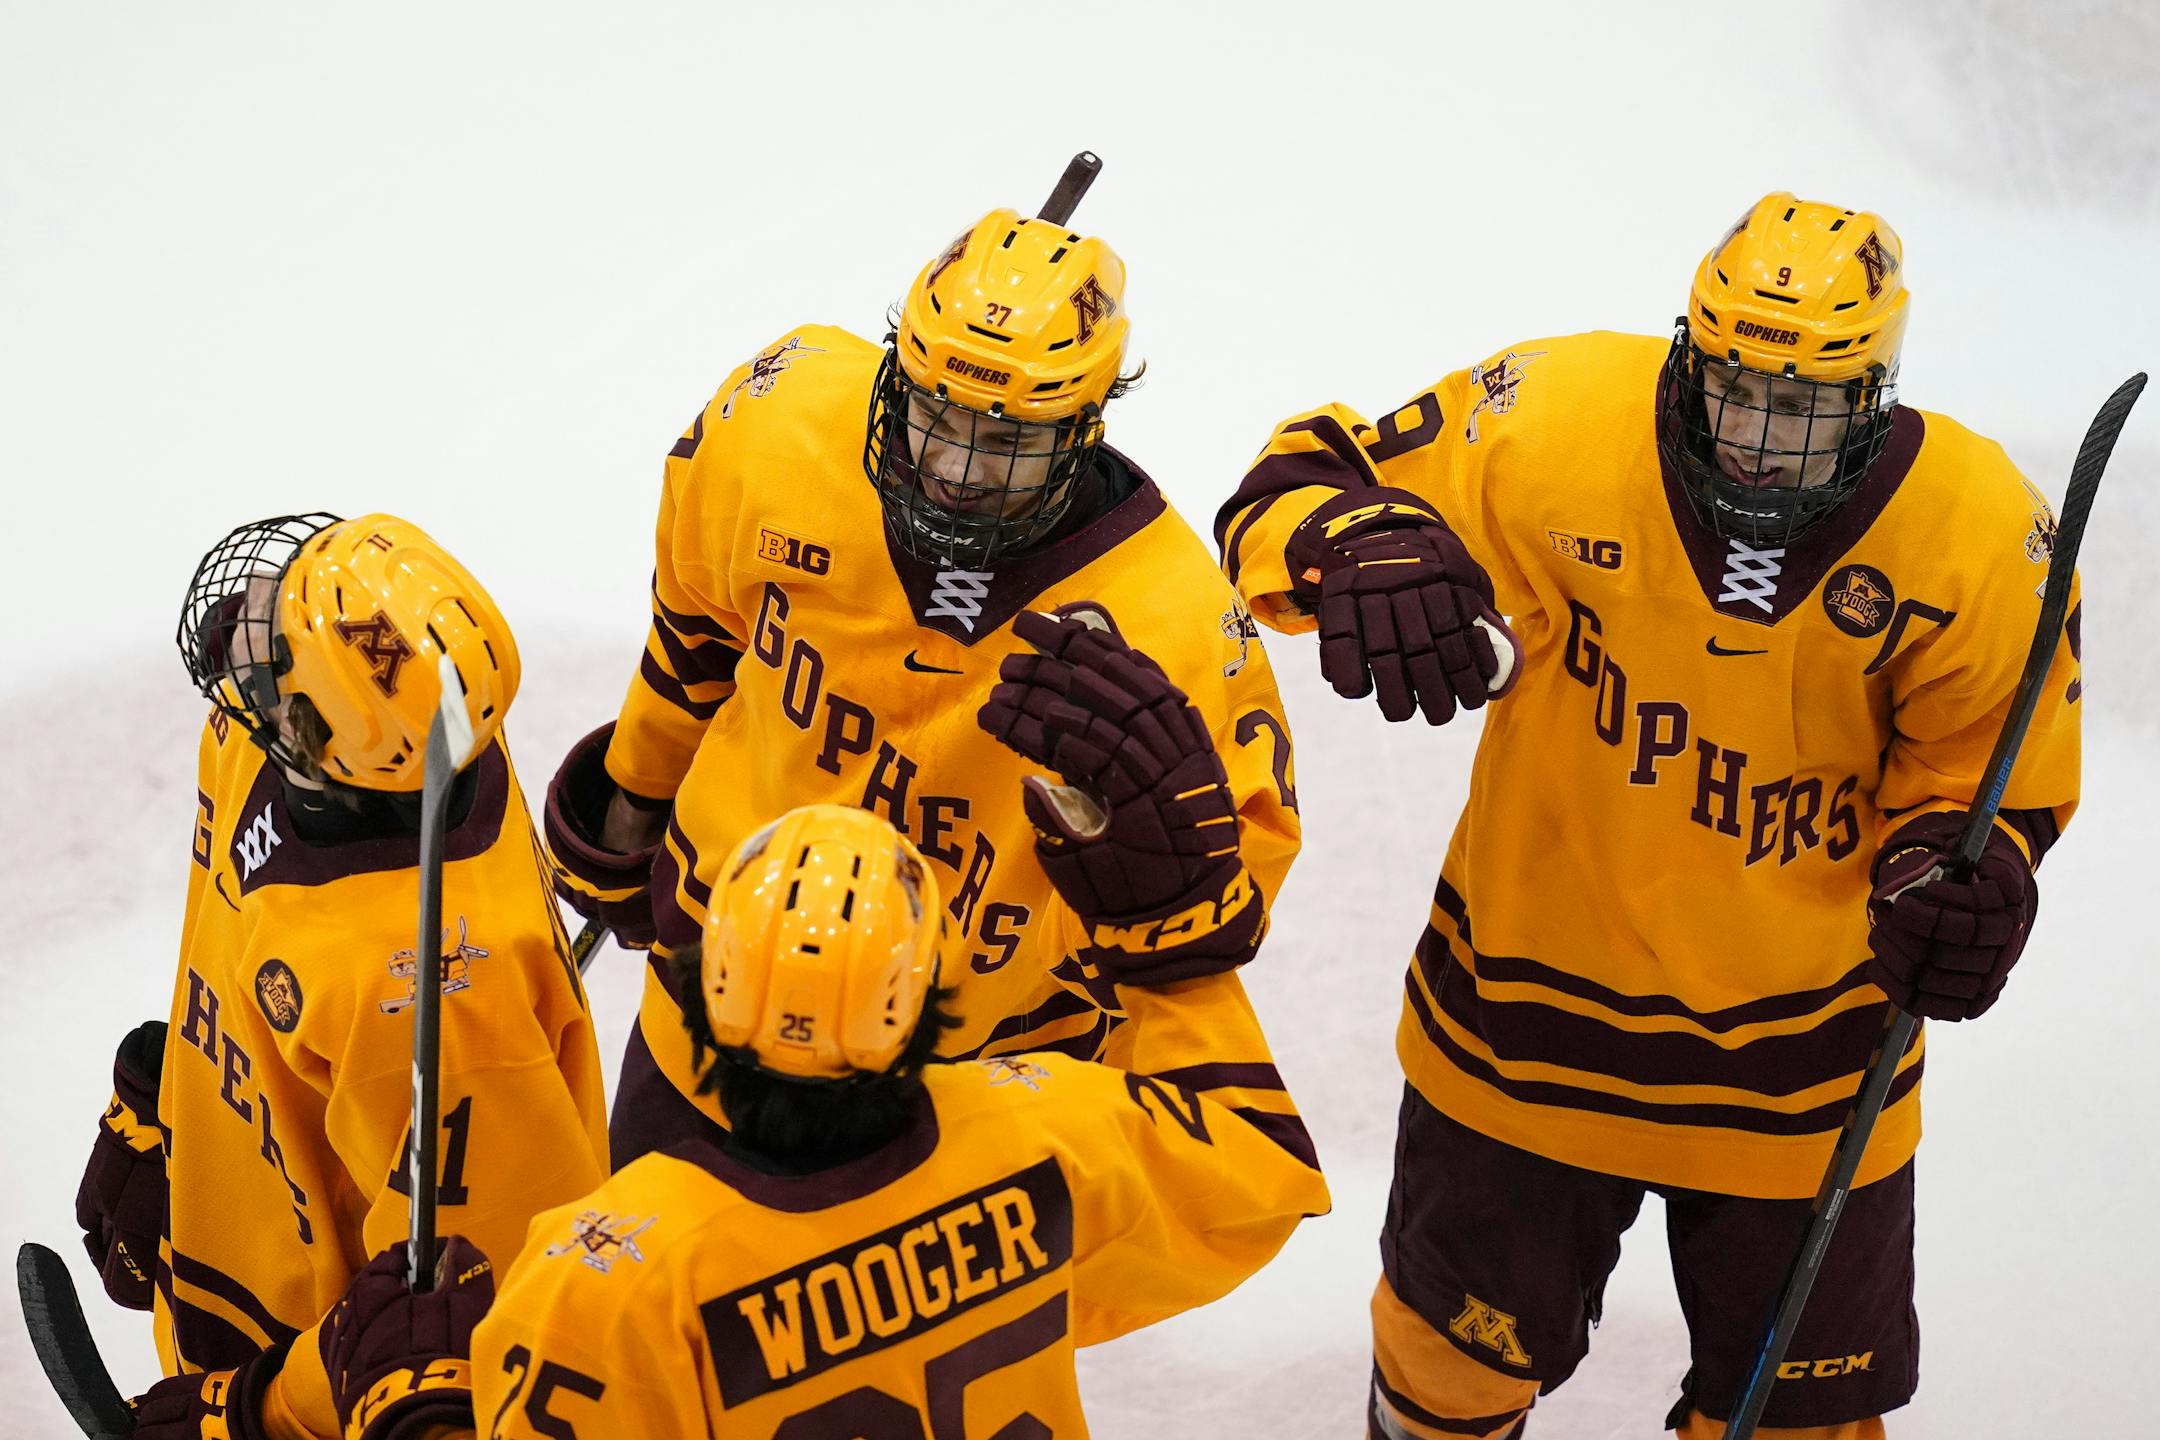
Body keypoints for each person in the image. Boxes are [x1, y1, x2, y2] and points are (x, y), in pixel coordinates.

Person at [1214, 193, 2080, 1438]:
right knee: (1443, 1382)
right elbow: (1299, 478)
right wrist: (1359, 539)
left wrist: (1961, 867)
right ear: (1692, 352)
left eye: (1807, 408)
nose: (1762, 445)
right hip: (1524, 1022)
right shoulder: (1555, 417)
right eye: (1738, 392)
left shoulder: (1983, 534)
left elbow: (1998, 775)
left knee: (1803, 1426)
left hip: (1804, 1065)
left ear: (1875, 392)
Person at [543, 191, 1307, 1169]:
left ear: (1088, 421)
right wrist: (635, 799)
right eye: (934, 414)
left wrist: (1132, 920)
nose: (953, 467)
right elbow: (693, 630)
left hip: (965, 1083)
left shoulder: (1176, 626)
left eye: (1009, 440)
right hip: (717, 991)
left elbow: (1215, 892)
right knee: (653, 1298)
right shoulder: (779, 424)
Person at [311, 799, 1331, 1440]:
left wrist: (427, 1411)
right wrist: (1169, 952)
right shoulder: (1044, 1133)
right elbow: (1252, 1172)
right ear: (930, 1000)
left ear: (707, 1000)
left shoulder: (605, 1280)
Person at [75, 512, 610, 1440]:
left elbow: (483, 1320)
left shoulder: (435, 994)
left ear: (315, 728)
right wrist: (191, 1107)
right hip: (244, 1243)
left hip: (314, 1365)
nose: (254, 629)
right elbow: (253, 963)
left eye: (282, 642)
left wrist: (257, 1413)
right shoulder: (392, 731)